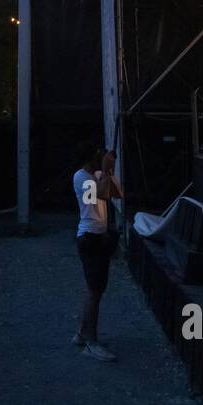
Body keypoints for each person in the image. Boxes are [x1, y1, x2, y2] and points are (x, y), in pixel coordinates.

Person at [72, 140, 121, 362]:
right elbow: (101, 195)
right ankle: (91, 342)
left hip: (98, 237)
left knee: (94, 289)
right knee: (94, 290)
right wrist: (105, 170)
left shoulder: (99, 174)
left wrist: (109, 170)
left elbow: (116, 194)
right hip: (89, 237)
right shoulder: (81, 177)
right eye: (98, 156)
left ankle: (83, 334)